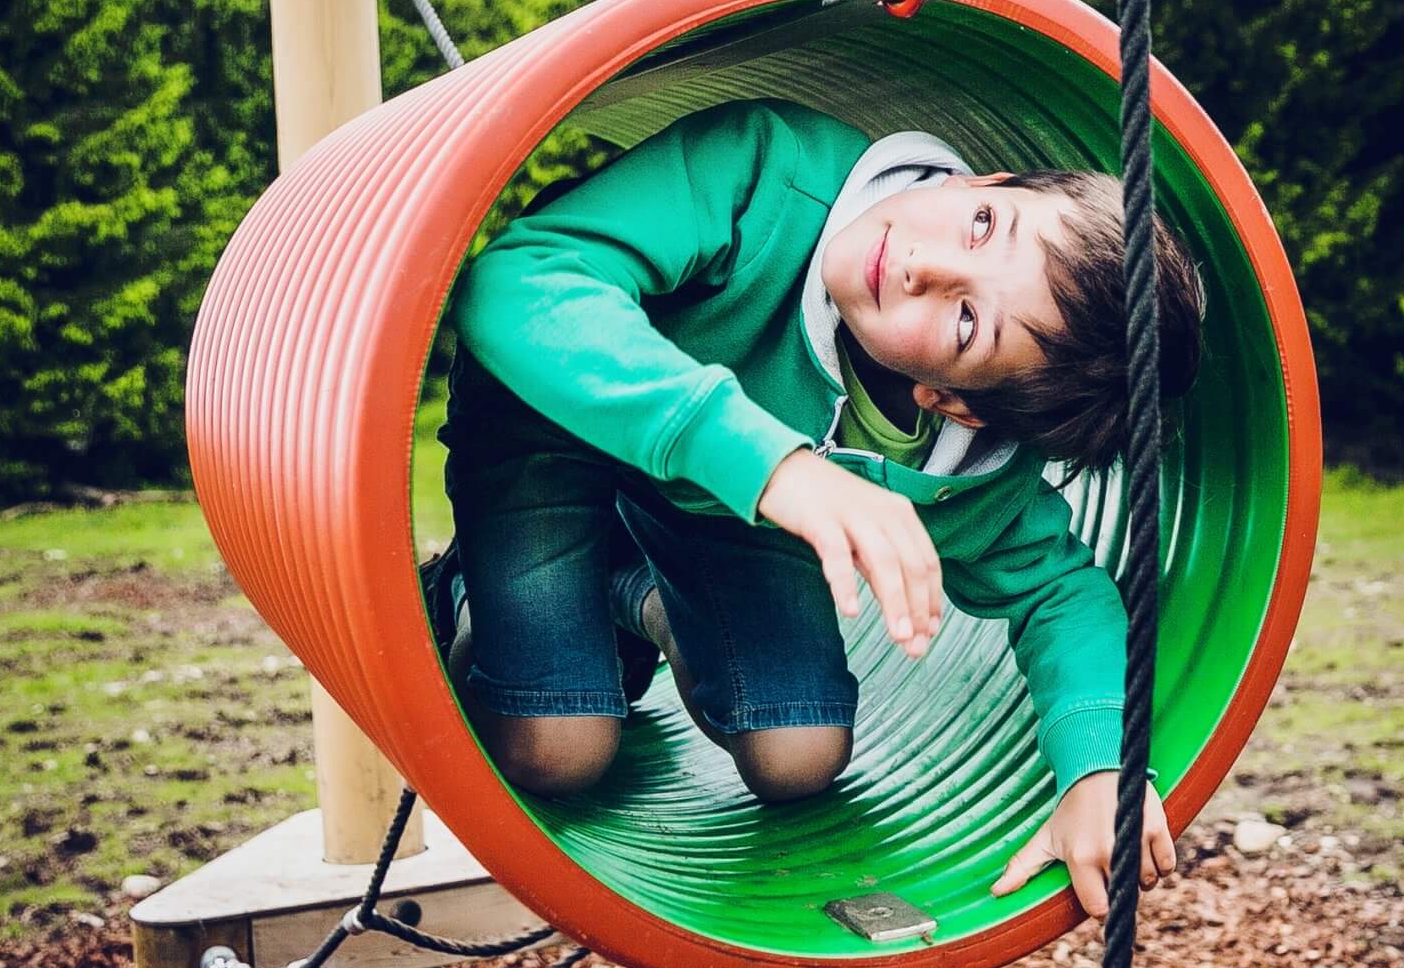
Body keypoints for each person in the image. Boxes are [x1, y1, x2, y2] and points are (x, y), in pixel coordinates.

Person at [420, 97, 1205, 916]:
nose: (924, 268)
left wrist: (1101, 768)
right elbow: (516, 282)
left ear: (954, 404)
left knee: (800, 755)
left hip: (721, 510)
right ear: (996, 177)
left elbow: (1061, 593)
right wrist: (776, 467)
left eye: (967, 321)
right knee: (558, 751)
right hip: (550, 415)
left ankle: (628, 590)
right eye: (982, 224)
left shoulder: (957, 471)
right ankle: (463, 587)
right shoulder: (773, 174)